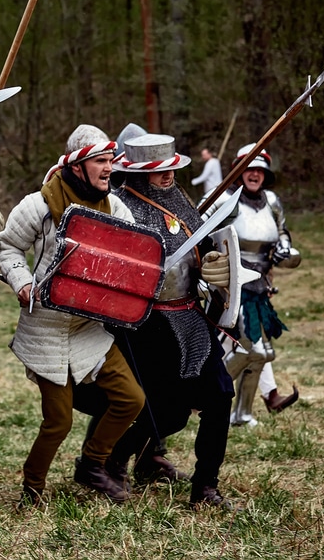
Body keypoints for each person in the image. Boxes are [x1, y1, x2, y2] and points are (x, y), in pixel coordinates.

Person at [0, 125, 144, 505]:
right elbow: (7, 248)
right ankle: (32, 488)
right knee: (59, 420)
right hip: (45, 324)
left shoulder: (116, 207)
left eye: (111, 160)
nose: (109, 168)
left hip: (88, 326)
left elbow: (133, 255)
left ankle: (93, 464)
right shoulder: (39, 205)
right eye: (100, 161)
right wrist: (23, 283)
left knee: (131, 399)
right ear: (79, 166)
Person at [107, 133, 235, 508]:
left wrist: (214, 262)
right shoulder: (122, 208)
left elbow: (205, 244)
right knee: (170, 412)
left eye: (171, 169)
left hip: (190, 315)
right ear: (141, 174)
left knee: (221, 396)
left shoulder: (180, 199)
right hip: (149, 325)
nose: (168, 176)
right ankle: (114, 454)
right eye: (160, 171)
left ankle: (205, 487)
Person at [206, 144, 300, 426]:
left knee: (259, 353)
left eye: (259, 169)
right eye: (249, 168)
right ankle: (206, 395)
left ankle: (242, 413)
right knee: (253, 350)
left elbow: (282, 232)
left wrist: (285, 250)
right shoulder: (223, 200)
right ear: (239, 172)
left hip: (260, 285)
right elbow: (199, 235)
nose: (254, 174)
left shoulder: (271, 201)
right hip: (230, 285)